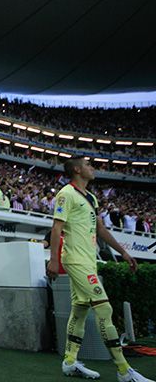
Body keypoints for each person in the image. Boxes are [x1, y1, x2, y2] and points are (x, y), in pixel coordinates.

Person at [46, 157, 152, 382]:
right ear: (77, 169)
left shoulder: (91, 197)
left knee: (80, 310)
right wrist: (53, 260)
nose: (92, 168)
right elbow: (56, 229)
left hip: (88, 261)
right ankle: (124, 371)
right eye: (88, 165)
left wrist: (123, 253)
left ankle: (70, 361)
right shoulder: (66, 193)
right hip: (75, 260)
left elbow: (101, 230)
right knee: (104, 310)